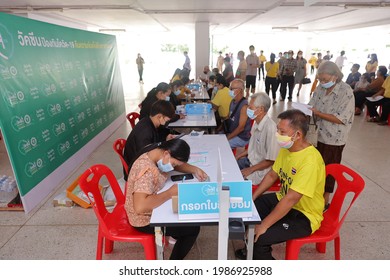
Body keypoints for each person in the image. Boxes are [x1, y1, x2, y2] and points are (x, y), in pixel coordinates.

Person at [235, 109, 325, 260]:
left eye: (281, 131)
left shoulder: (310, 161)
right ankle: (249, 250)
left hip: (303, 215)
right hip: (282, 198)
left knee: (261, 237)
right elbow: (272, 175)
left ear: (297, 135)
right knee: (247, 211)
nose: (277, 134)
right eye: (277, 129)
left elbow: (291, 199)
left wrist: (264, 225)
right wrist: (253, 197)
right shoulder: (287, 148)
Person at [125, 138, 208, 260]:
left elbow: (175, 164)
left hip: (153, 201)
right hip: (143, 219)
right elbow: (140, 207)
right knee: (193, 228)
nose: (173, 167)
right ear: (166, 153)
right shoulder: (146, 171)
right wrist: (170, 193)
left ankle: (176, 234)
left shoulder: (156, 151)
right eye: (174, 164)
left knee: (182, 213)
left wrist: (194, 169)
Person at [308, 61, 354, 206]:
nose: (322, 82)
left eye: (325, 80)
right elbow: (312, 104)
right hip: (316, 135)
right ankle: (312, 195)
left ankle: (324, 200)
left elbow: (341, 118)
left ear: (335, 76)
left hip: (334, 138)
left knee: (329, 169)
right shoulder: (320, 88)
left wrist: (319, 113)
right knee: (315, 167)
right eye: (320, 79)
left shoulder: (345, 92)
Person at [123, 100, 176, 180]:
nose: (166, 123)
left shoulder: (148, 122)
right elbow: (146, 157)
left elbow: (153, 143)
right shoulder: (145, 132)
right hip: (136, 173)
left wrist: (165, 139)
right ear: (159, 116)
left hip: (140, 164)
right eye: (166, 120)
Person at [235, 92, 280, 185]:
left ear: (261, 110)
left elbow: (271, 160)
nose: (247, 109)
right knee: (229, 167)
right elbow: (253, 147)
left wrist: (250, 170)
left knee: (234, 180)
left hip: (260, 170)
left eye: (250, 108)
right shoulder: (256, 122)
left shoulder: (271, 129)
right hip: (250, 161)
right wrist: (238, 156)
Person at [225, 79, 252, 149]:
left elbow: (241, 128)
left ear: (239, 90)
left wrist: (227, 138)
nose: (229, 91)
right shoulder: (232, 101)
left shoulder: (244, 106)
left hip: (241, 138)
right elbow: (228, 117)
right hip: (232, 132)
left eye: (231, 89)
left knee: (223, 145)